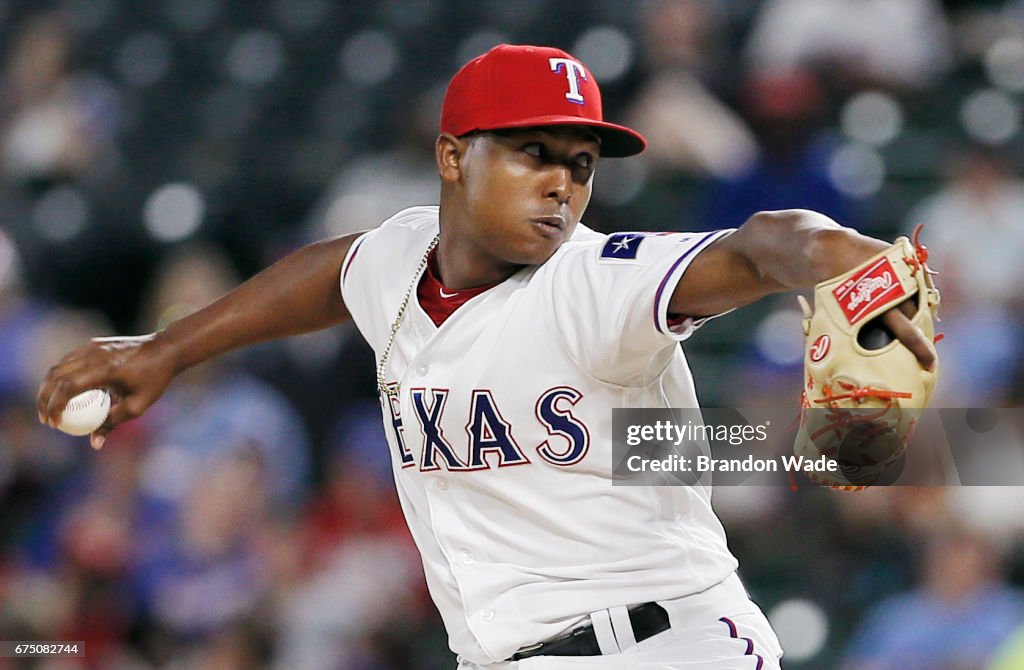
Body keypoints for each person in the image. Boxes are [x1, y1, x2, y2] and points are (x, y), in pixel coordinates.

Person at [37, 44, 937, 669]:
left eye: (581, 164)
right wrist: (165, 351)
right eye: (532, 153)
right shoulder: (400, 258)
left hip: (665, 647)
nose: (563, 183)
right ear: (452, 157)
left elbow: (763, 243)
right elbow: (332, 273)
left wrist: (839, 260)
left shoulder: (595, 282)